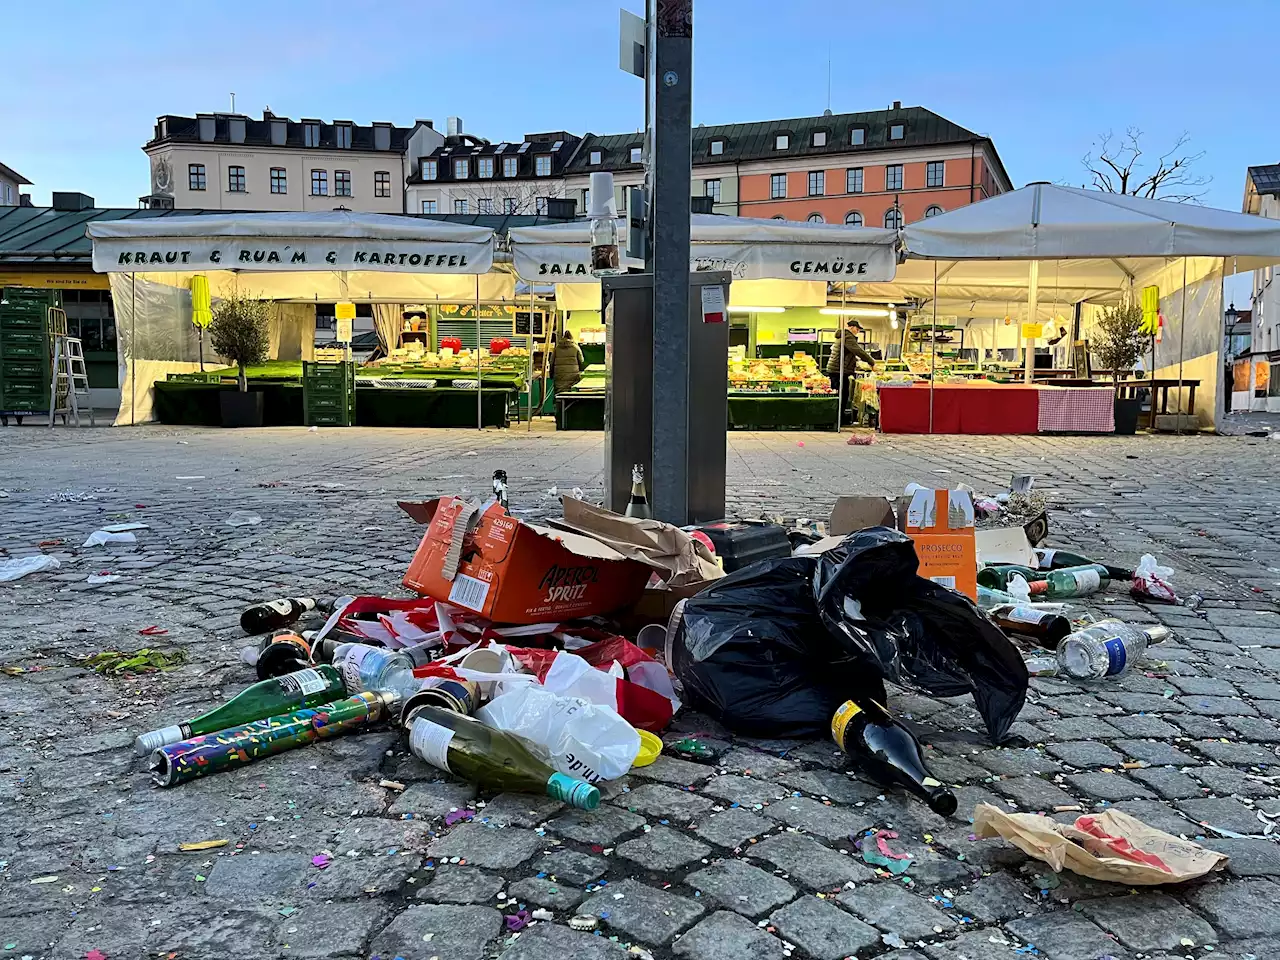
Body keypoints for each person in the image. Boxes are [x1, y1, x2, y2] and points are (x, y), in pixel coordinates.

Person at [826, 320, 875, 393]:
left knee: (838, 392)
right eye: (857, 329)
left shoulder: (843, 336)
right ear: (852, 327)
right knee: (842, 394)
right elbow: (858, 351)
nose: (857, 331)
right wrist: (872, 362)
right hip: (839, 370)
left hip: (836, 369)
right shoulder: (848, 337)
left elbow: (848, 354)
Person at [551, 328, 584, 398]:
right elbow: (581, 361)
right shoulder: (576, 347)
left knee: (559, 396)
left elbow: (551, 362)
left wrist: (551, 374)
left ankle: (559, 408)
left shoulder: (557, 348)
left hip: (559, 376)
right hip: (573, 376)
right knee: (571, 396)